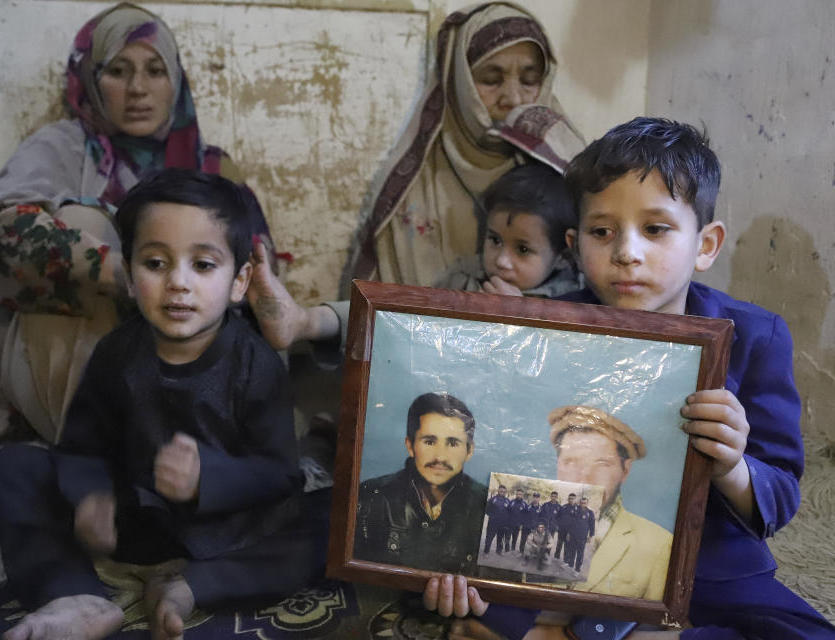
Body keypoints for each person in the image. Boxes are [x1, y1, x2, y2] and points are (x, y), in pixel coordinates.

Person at [420, 118, 835, 639]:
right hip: (560, 554)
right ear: (574, 245)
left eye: (656, 229)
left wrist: (732, 463)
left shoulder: (755, 337)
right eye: (602, 231)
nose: (627, 253)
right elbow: (511, 457)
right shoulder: (545, 332)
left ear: (705, 245)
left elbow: (777, 499)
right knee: (470, 607)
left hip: (708, 561)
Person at [0, 169, 326, 640]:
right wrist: (91, 496)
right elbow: (81, 447)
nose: (178, 283)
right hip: (133, 519)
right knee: (12, 471)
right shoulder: (117, 353)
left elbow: (279, 473)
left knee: (334, 524)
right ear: (129, 273)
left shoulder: (257, 364)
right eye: (156, 263)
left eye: (202, 265)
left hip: (229, 528)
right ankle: (73, 595)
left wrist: (210, 478)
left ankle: (188, 588)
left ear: (240, 281)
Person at [0, 2, 275, 443]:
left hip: (187, 366)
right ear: (91, 80)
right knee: (81, 219)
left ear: (176, 81)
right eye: (118, 71)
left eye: (155, 70)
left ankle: (176, 449)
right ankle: (98, 454)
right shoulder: (63, 148)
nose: (137, 89)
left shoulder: (211, 168)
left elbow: (262, 283)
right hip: (78, 364)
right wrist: (119, 272)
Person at [246, 1, 584, 356]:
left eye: (530, 80)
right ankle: (305, 321)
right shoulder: (417, 185)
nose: (514, 98)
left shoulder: (569, 171)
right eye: (491, 79)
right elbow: (398, 311)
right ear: (461, 83)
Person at [354, 392, 488, 574]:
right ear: (410, 446)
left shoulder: (486, 504)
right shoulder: (370, 496)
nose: (440, 457)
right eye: (430, 441)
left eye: (453, 443)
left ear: (469, 450)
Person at [549, 405, 672, 599]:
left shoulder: (660, 545)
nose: (584, 478)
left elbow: (657, 623)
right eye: (571, 462)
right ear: (558, 465)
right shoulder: (522, 526)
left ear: (626, 470)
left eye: (602, 464)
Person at [433, 164, 582, 298]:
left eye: (523, 249)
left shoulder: (572, 300)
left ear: (564, 257)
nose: (501, 261)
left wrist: (516, 315)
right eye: (495, 240)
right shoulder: (462, 276)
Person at [562, 496, 595, 576]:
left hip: (582, 537)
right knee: (572, 551)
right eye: (581, 503)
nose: (583, 504)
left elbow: (592, 525)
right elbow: (571, 523)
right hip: (573, 535)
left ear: (587, 503)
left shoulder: (590, 513)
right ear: (579, 503)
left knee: (580, 553)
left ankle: (577, 569)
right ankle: (570, 564)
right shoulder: (575, 510)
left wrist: (590, 536)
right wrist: (569, 533)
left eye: (584, 503)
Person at [484, 484, 511, 555]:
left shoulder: (508, 501)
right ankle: (486, 551)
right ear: (498, 490)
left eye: (504, 491)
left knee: (500, 538)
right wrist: (492, 517)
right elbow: (486, 510)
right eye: (501, 491)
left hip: (502, 524)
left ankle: (498, 551)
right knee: (489, 538)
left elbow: (509, 512)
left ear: (505, 492)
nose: (502, 492)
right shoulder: (492, 500)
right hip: (493, 523)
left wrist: (506, 522)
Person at [553, 492, 577, 561]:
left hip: (569, 531)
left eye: (572, 499)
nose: (570, 500)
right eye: (569, 498)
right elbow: (558, 516)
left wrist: (571, 532)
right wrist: (557, 525)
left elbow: (576, 522)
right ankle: (556, 556)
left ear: (575, 499)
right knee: (559, 544)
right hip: (561, 530)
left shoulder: (577, 509)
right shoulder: (564, 506)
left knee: (567, 546)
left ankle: (565, 560)